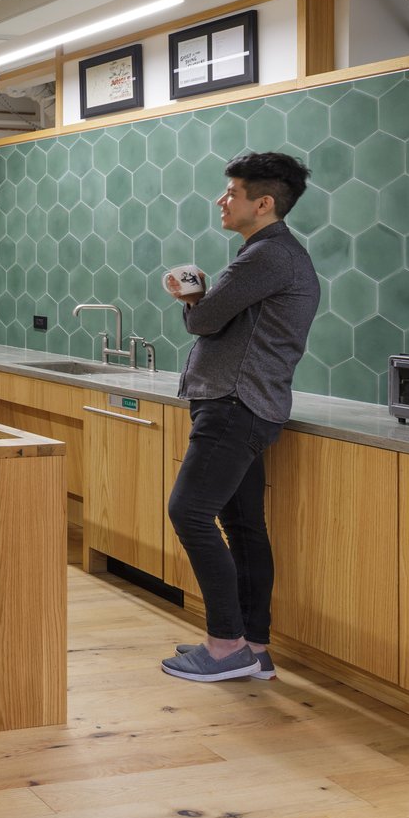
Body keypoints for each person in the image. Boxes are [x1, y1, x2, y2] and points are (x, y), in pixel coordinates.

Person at [160, 152, 319, 684]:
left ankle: (226, 646)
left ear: (264, 202)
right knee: (244, 526)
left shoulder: (266, 256)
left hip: (234, 405)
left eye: (231, 192)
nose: (221, 200)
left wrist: (190, 294)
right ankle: (254, 646)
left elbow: (204, 320)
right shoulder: (276, 255)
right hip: (248, 405)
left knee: (189, 512)